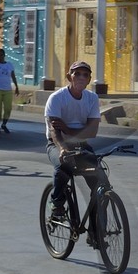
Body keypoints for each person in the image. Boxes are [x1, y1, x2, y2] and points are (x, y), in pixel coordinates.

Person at [44, 60, 102, 223]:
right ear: (69, 77)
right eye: (77, 74)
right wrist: (62, 149)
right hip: (57, 143)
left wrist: (68, 129)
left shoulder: (92, 98)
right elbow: (55, 131)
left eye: (85, 74)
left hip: (81, 144)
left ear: (89, 79)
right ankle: (57, 203)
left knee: (100, 182)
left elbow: (92, 131)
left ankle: (95, 227)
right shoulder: (56, 98)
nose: (81, 77)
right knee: (64, 166)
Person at [0, 47, 20, 135]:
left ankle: (4, 124)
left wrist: (16, 87)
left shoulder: (9, 65)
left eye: (1, 55)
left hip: (7, 90)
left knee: (8, 108)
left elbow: (13, 76)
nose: (0, 57)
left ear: (4, 55)